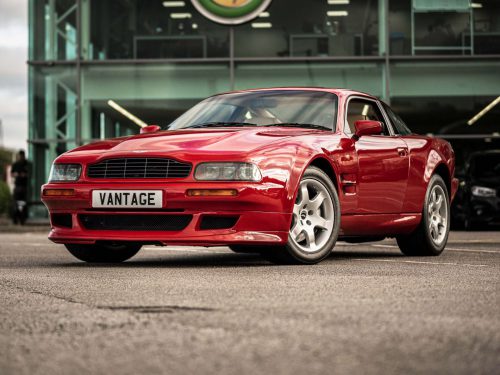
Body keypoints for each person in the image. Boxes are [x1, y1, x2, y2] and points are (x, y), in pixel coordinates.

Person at [10, 150, 29, 225]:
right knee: (16, 203)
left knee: (23, 203)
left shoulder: (26, 164)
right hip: (17, 186)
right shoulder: (16, 164)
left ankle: (22, 219)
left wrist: (24, 175)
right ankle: (15, 219)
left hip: (24, 186)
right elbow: (12, 174)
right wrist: (17, 175)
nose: (22, 157)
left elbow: (29, 174)